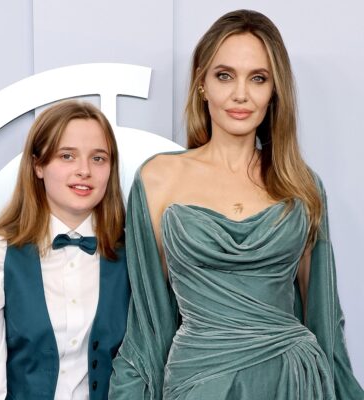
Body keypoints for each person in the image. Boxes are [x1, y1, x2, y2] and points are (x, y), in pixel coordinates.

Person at [108, 9, 364, 400]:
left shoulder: (302, 185)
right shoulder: (158, 179)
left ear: (274, 90)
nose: (240, 94)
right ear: (202, 84)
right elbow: (148, 324)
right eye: (225, 76)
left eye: (258, 78)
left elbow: (324, 317)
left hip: (292, 381)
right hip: (199, 382)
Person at [0, 100, 130, 400]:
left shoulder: (134, 258)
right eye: (67, 156)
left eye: (98, 158)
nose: (84, 171)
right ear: (38, 165)